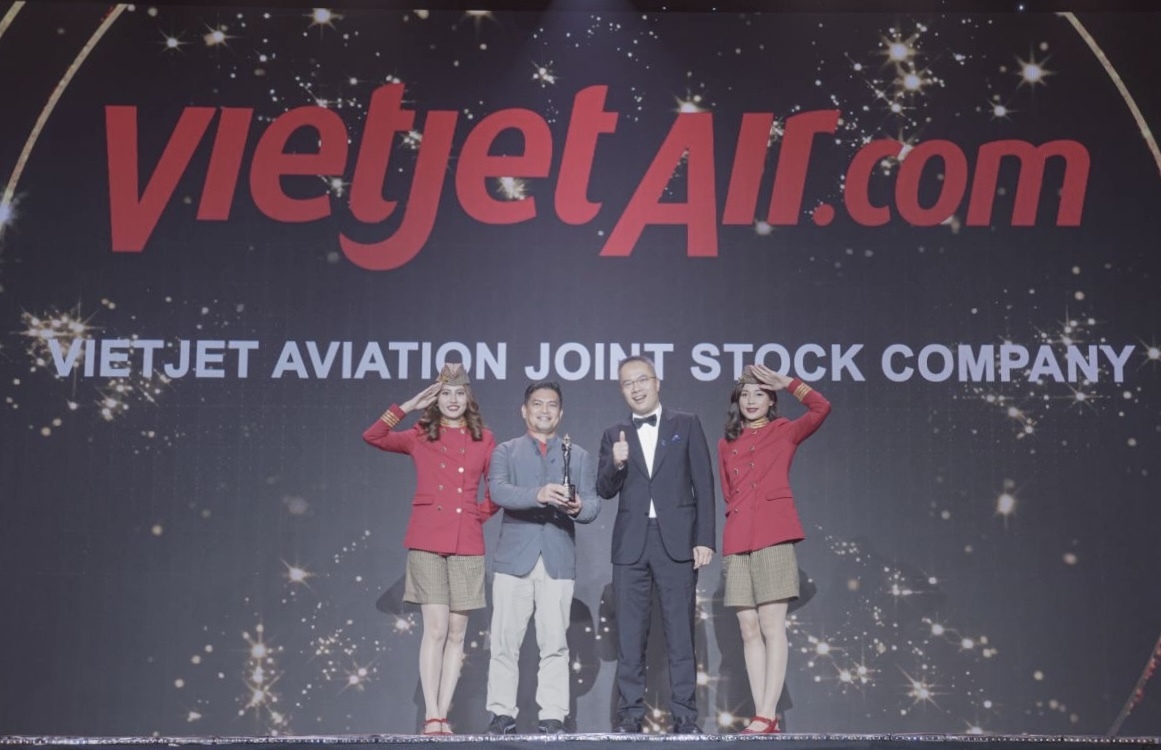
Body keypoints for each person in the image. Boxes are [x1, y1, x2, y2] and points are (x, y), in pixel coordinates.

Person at [362, 362, 498, 736]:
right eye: (445, 393)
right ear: (435, 399)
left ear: (469, 397)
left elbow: (496, 489)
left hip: (467, 542)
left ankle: (444, 713)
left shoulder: (484, 438)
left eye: (459, 393)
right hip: (427, 541)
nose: (452, 400)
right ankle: (432, 715)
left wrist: (475, 516)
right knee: (435, 629)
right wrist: (408, 406)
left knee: (457, 633)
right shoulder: (420, 435)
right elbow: (373, 436)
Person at [596, 355, 715, 734]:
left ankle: (686, 718)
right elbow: (604, 489)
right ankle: (630, 716)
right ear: (621, 390)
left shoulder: (687, 424)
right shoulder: (614, 434)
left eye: (642, 380)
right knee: (630, 637)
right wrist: (615, 464)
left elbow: (704, 485)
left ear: (657, 382)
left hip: (677, 543)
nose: (636, 388)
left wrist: (705, 538)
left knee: (680, 634)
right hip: (631, 546)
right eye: (628, 383)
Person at [718, 363, 831, 734]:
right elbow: (729, 493)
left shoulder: (785, 431)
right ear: (737, 401)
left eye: (760, 394)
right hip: (738, 539)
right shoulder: (726, 442)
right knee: (748, 628)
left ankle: (766, 713)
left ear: (771, 400)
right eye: (745, 394)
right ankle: (764, 716)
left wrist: (788, 383)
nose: (751, 401)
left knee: (771, 625)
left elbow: (821, 408)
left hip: (774, 535)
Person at [485, 381, 601, 735]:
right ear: (525, 410)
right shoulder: (505, 451)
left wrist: (577, 506)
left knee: (555, 643)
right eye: (537, 404)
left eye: (552, 405)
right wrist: (539, 493)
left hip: (557, 558)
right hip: (513, 559)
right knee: (504, 642)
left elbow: (592, 504)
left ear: (560, 413)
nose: (544, 410)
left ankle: (553, 716)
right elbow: (498, 491)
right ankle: (501, 714)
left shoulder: (577, 455)